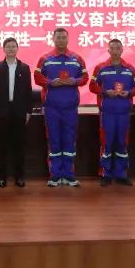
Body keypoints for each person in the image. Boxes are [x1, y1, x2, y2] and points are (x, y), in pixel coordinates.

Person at [34, 27, 88, 187]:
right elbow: (37, 77)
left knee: (69, 140)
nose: (61, 40)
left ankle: (69, 175)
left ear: (68, 39)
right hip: (52, 107)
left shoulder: (77, 58)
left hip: (70, 107)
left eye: (64, 37)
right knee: (54, 140)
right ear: (53, 39)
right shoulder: (45, 58)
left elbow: (85, 77)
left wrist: (75, 81)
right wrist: (50, 82)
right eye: (58, 37)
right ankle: (55, 175)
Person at [89, 39, 135, 186]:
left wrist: (129, 93)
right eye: (113, 48)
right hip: (107, 112)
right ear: (108, 50)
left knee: (122, 143)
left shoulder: (130, 68)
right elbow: (92, 86)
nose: (115, 51)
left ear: (122, 50)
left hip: (123, 112)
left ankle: (121, 174)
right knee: (107, 142)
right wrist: (105, 92)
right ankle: (106, 174)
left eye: (118, 48)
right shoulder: (100, 67)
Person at [0, 37, 32, 188]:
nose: (11, 49)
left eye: (13, 46)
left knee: (19, 146)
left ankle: (19, 177)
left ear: (17, 49)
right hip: (2, 111)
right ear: (4, 49)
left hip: (19, 111)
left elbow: (28, 91)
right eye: (8, 46)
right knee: (1, 146)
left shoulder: (24, 68)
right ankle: (1, 177)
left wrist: (28, 111)